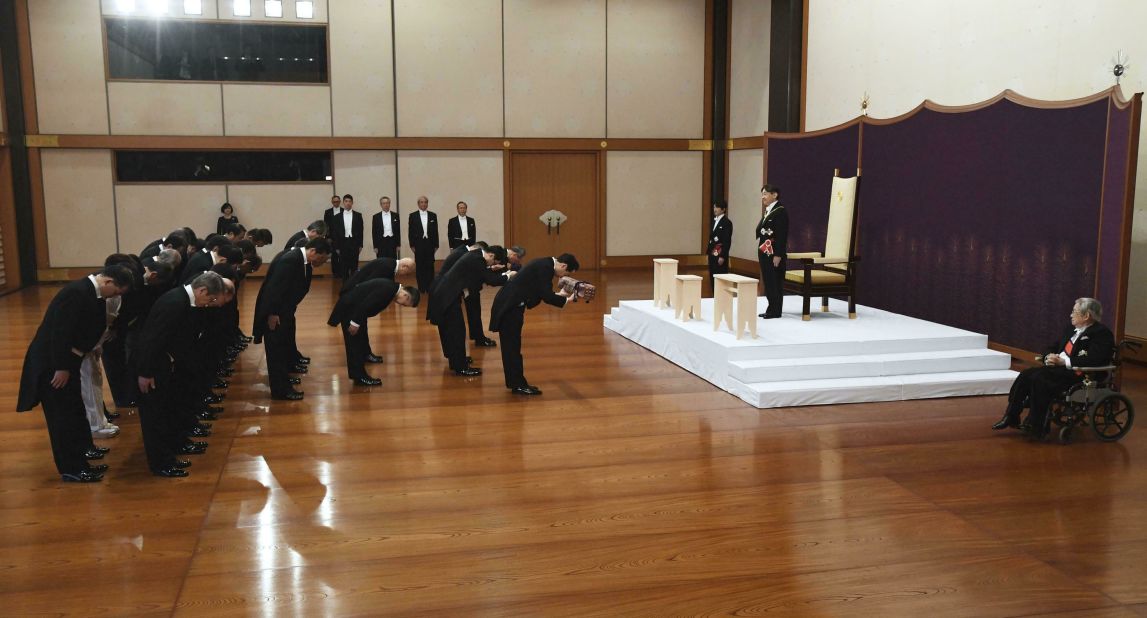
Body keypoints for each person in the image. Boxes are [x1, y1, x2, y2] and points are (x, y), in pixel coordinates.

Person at [16, 265, 133, 482]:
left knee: (75, 410)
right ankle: (71, 468)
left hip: (68, 361)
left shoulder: (90, 291)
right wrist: (61, 368)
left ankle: (82, 456)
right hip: (53, 364)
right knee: (62, 417)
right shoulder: (76, 293)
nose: (116, 297)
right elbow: (60, 333)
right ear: (108, 282)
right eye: (116, 292)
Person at [136, 271, 224, 477]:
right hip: (153, 368)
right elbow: (151, 340)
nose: (209, 304)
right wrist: (145, 372)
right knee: (155, 417)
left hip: (166, 365)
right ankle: (161, 463)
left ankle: (175, 447)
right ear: (201, 290)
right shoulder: (174, 303)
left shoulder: (184, 301)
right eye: (210, 299)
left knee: (169, 410)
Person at [992, 298, 1116, 437]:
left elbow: (1096, 359)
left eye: (1074, 311)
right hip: (1059, 369)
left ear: (1086, 315)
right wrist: (1048, 357)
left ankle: (1036, 425)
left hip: (1080, 374)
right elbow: (1053, 346)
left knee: (1040, 380)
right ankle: (1011, 415)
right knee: (1026, 374)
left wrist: (1064, 362)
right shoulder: (1071, 329)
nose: (1071, 315)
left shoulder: (1102, 333)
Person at [253, 237, 332, 401]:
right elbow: (275, 288)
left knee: (282, 348)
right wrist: (272, 314)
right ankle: (281, 390)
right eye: (322, 258)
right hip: (275, 313)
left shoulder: (300, 259)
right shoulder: (290, 260)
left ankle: (284, 381)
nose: (323, 263)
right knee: (276, 351)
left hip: (284, 311)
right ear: (313, 252)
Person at [490, 254, 579, 395]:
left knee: (511, 347)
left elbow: (542, 292)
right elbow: (546, 296)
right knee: (512, 348)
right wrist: (569, 299)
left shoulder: (545, 263)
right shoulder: (546, 268)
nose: (562, 277)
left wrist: (559, 295)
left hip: (510, 305)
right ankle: (518, 385)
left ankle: (515, 382)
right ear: (564, 266)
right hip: (509, 308)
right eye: (566, 273)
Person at [427, 245, 511, 376]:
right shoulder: (478, 260)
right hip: (447, 297)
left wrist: (493, 270)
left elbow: (482, 275)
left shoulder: (476, 255)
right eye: (494, 262)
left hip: (445, 294)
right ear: (491, 256)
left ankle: (456, 361)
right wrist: (508, 276)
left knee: (452, 331)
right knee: (457, 331)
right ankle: (461, 367)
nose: (492, 264)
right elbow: (491, 280)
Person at [328, 280, 420, 385]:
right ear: (405, 295)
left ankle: (357, 374)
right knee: (354, 344)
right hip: (352, 310)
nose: (402, 305)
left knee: (357, 342)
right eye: (405, 304)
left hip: (354, 309)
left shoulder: (391, 288)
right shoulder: (388, 290)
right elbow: (365, 305)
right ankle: (360, 377)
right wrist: (355, 323)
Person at [756, 184, 788, 319]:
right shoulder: (769, 210)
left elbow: (782, 235)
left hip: (774, 254)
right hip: (765, 253)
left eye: (765, 194)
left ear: (774, 195)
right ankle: (771, 307)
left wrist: (778, 255)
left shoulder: (780, 211)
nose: (763, 197)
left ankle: (775, 310)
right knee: (769, 281)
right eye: (762, 194)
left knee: (775, 281)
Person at [408, 195, 440, 292]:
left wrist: (436, 245)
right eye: (421, 202)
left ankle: (430, 287)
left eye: (425, 202)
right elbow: (411, 231)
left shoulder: (433, 215)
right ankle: (421, 288)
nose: (423, 204)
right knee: (420, 267)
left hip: (430, 244)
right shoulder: (413, 216)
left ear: (427, 204)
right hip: (418, 244)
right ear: (418, 204)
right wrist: (412, 245)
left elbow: (435, 231)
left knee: (430, 266)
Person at [332, 194, 364, 279]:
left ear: (352, 203)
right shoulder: (337, 217)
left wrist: (360, 245)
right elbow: (335, 233)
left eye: (350, 201)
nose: (348, 203)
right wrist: (336, 247)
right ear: (343, 203)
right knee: (343, 266)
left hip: (354, 243)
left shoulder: (358, 215)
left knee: (354, 266)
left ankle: (354, 286)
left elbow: (361, 231)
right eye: (346, 201)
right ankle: (345, 287)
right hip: (343, 243)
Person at [707, 200, 732, 292]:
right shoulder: (714, 221)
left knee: (720, 276)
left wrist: (722, 256)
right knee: (712, 276)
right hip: (712, 253)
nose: (715, 209)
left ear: (723, 209)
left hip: (720, 254)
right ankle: (714, 297)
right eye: (714, 207)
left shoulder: (727, 222)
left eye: (717, 207)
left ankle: (721, 299)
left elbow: (727, 241)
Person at [324, 195, 343, 276]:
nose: (336, 203)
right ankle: (335, 273)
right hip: (332, 237)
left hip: (342, 237)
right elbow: (326, 226)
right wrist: (327, 237)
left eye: (337, 201)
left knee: (342, 255)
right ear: (332, 202)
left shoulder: (344, 210)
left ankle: (342, 271)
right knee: (334, 256)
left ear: (340, 202)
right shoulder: (327, 212)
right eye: (334, 201)